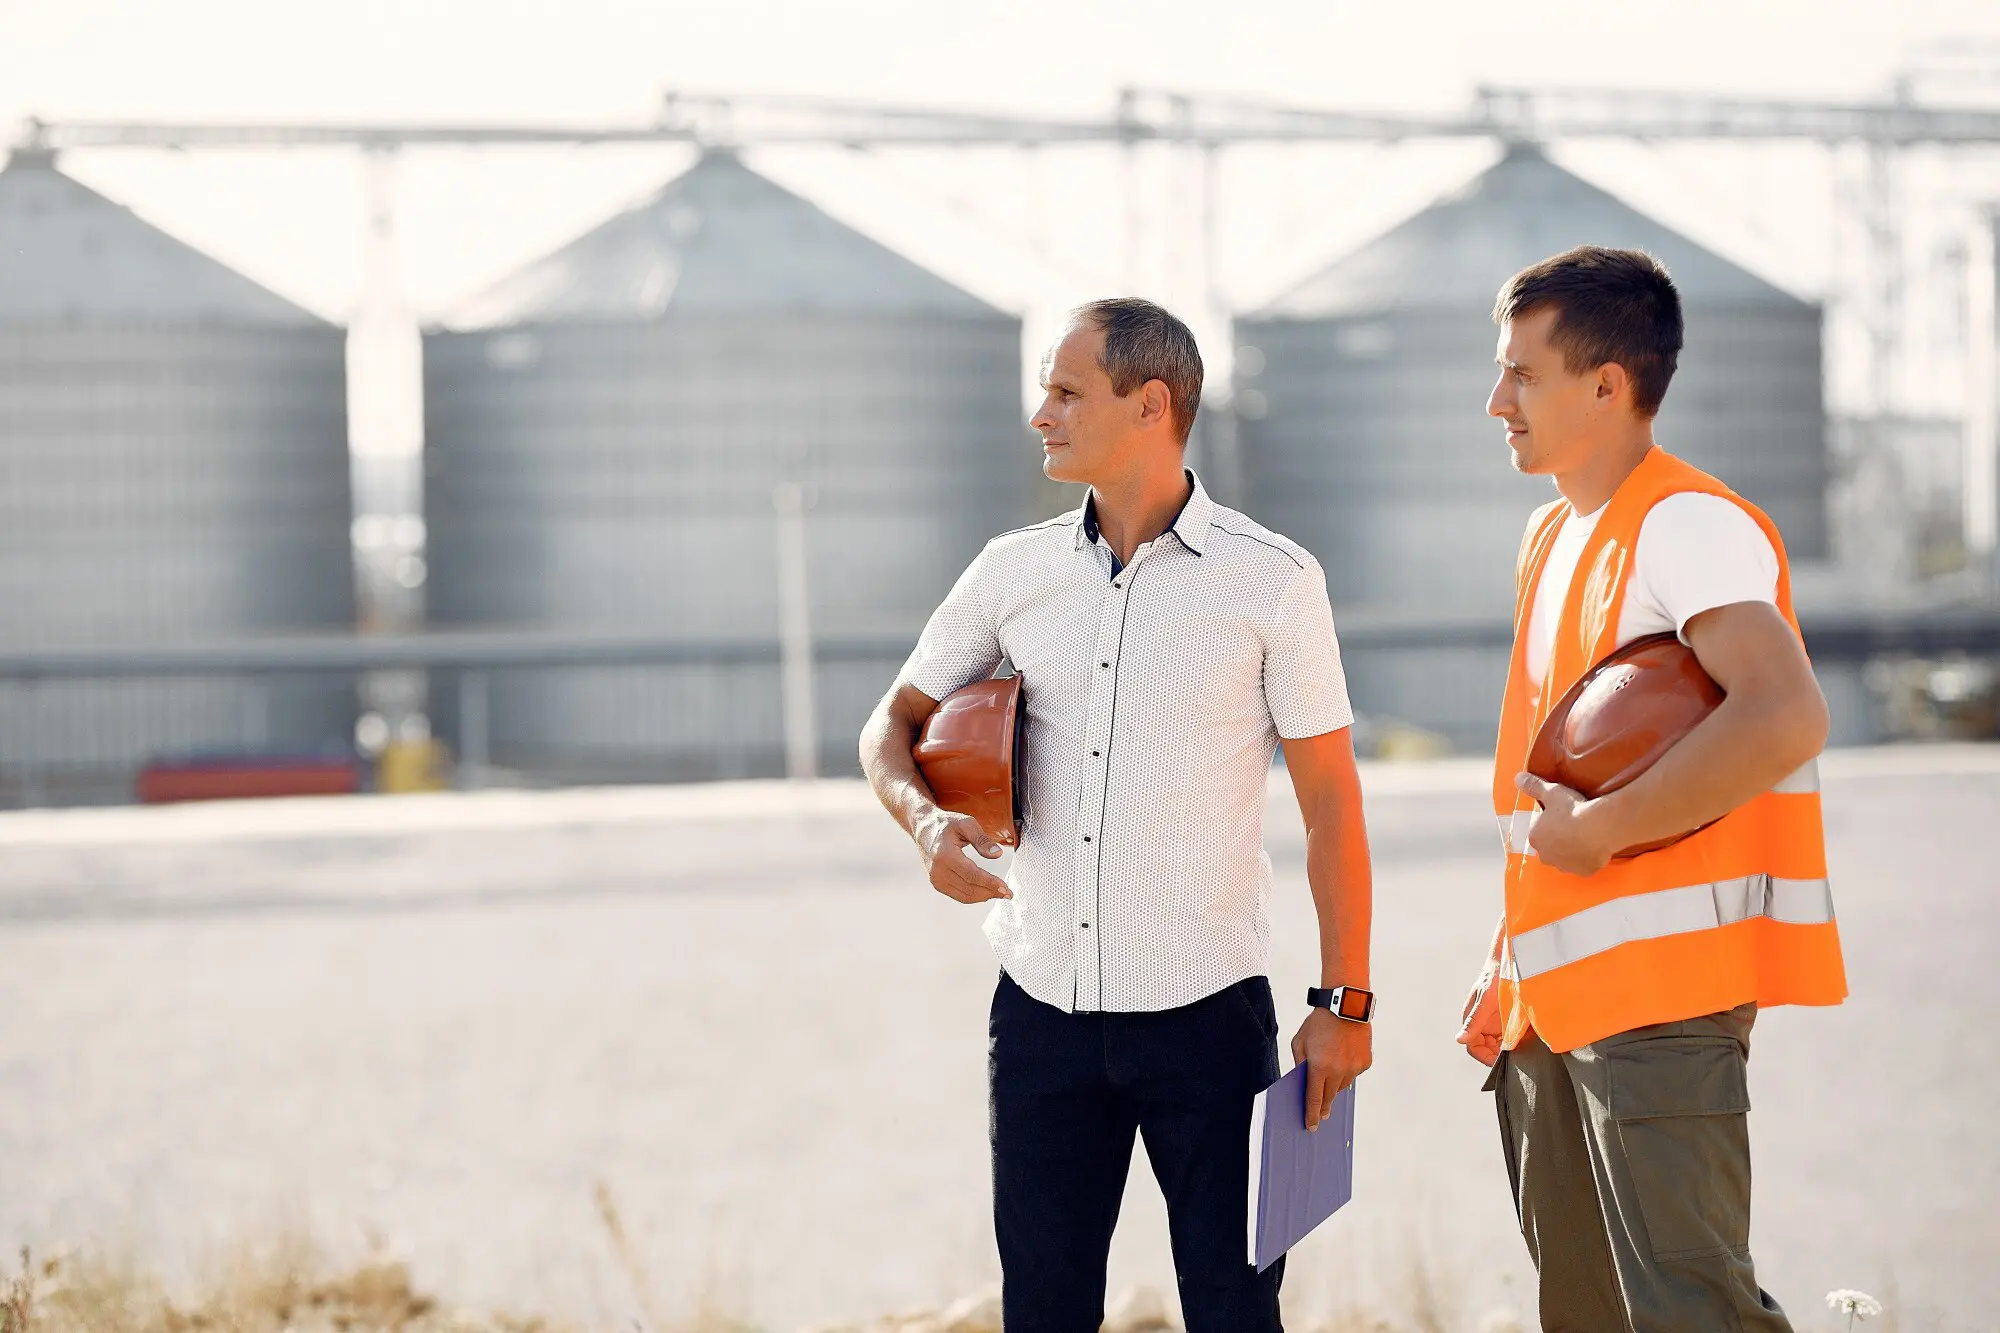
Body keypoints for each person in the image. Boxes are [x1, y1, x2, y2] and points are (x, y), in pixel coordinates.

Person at [858, 298, 1374, 1332]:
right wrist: (925, 825)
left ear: (1150, 403)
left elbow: (1329, 803)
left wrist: (1344, 1005)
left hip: (1209, 1023)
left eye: (1063, 390)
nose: (1038, 412)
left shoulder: (1272, 580)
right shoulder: (1012, 571)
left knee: (1235, 1314)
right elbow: (890, 725)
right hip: (1039, 1014)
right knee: (1042, 1316)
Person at [1457, 246, 1849, 1332]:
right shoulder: (1552, 533)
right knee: (1579, 1314)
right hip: (1555, 1001)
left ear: (1605, 383)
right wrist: (1509, 961)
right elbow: (1552, 786)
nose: (1495, 402)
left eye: (1519, 376)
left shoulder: (1685, 523)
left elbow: (1784, 714)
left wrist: (1608, 832)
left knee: (1691, 1315)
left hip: (1662, 1007)